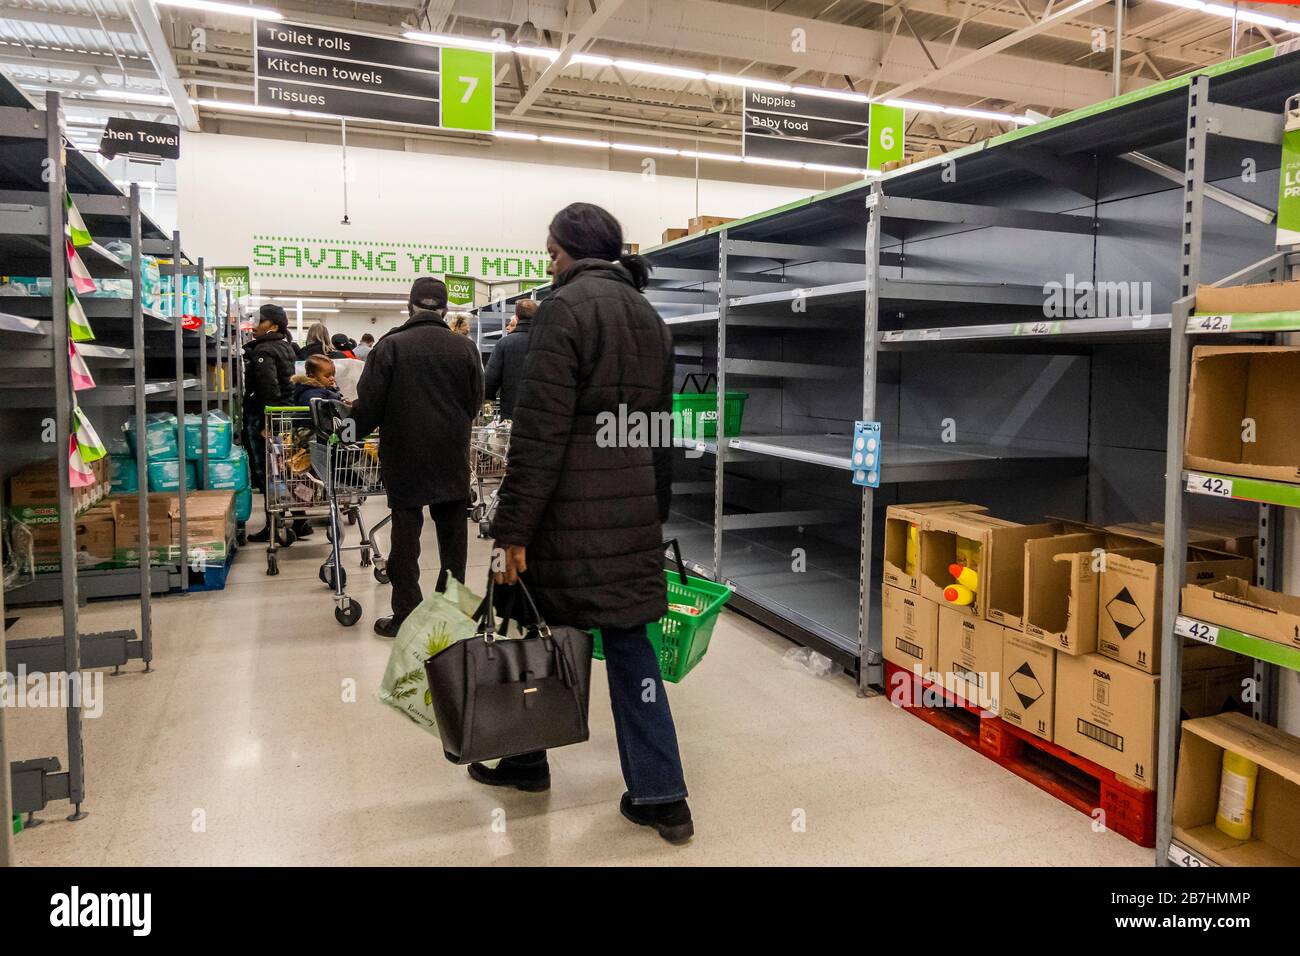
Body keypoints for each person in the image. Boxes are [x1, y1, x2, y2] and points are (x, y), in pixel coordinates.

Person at [485, 202, 691, 844]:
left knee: (536, 629)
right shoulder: (650, 319)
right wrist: (653, 511)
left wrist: (512, 530)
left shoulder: (563, 312)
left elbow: (540, 436)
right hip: (628, 515)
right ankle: (663, 796)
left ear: (571, 251)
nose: (549, 265)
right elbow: (663, 433)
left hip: (564, 517)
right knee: (632, 650)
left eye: (550, 253)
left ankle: (526, 761)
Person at [348, 278, 483, 638]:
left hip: (405, 454)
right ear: (444, 309)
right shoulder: (465, 349)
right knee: (453, 538)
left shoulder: (390, 347)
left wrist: (342, 432)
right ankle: (452, 613)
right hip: (451, 453)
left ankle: (406, 613)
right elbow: (474, 404)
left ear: (410, 307)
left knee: (405, 535)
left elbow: (369, 407)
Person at [241, 304, 298, 544]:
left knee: (268, 471)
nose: (255, 326)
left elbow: (269, 390)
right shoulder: (285, 347)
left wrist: (267, 422)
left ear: (273, 325)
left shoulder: (263, 350)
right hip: (287, 415)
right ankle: (299, 521)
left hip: (267, 417)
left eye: (260, 321)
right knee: (287, 468)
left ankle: (272, 526)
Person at [483, 298, 536, 419]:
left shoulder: (504, 343)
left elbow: (489, 382)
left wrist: (487, 414)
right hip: (542, 417)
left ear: (517, 317)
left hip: (511, 414)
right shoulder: (549, 342)